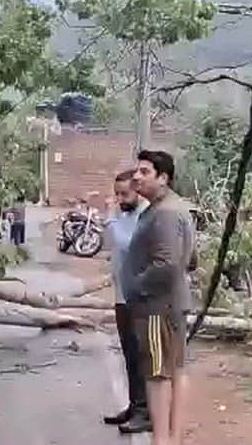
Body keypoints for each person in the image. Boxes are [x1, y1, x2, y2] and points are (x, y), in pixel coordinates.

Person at [124, 150, 196, 445]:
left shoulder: (165, 213)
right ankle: (172, 438)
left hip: (156, 308)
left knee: (158, 377)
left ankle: (162, 440)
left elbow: (166, 264)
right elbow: (190, 260)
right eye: (136, 171)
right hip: (171, 305)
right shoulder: (172, 208)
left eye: (144, 172)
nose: (136, 177)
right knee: (175, 371)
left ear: (163, 178)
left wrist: (136, 286)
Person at [102, 169, 151, 433]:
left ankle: (145, 411)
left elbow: (127, 244)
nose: (120, 199)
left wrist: (110, 220)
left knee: (140, 354)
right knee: (129, 354)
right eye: (117, 194)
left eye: (125, 194)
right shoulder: (123, 214)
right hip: (121, 292)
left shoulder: (145, 216)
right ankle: (134, 405)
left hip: (137, 295)